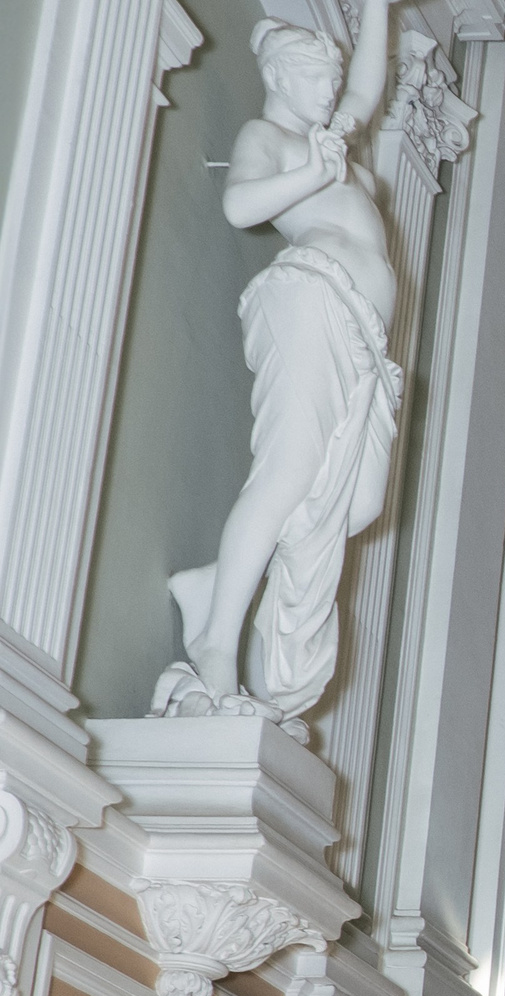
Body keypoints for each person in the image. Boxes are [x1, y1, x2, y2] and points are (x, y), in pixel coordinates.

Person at [164, 0, 399, 722]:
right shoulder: (269, 136)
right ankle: (214, 639)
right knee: (290, 471)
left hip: (361, 336)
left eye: (332, 79)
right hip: (308, 300)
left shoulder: (330, 136)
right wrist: (311, 175)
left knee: (357, 502)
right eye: (316, 78)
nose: (331, 93)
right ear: (279, 75)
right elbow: (242, 207)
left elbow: (367, 87)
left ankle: (221, 585)